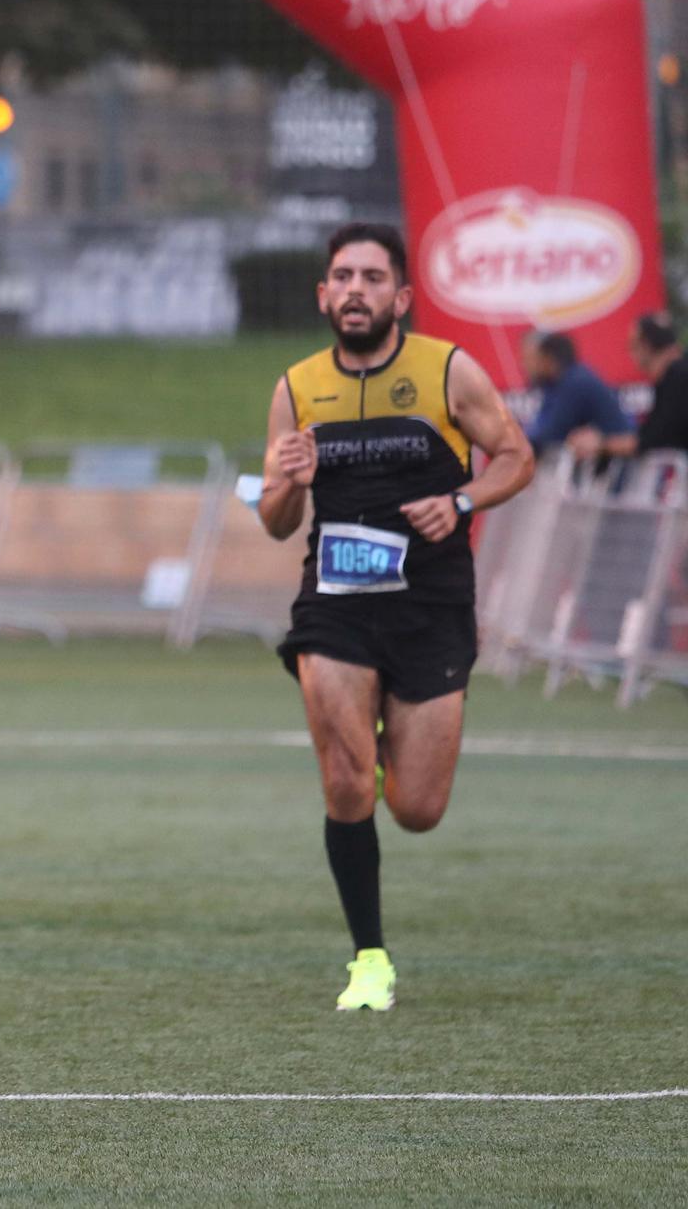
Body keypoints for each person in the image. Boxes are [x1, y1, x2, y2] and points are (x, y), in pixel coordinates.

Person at [258, 222, 533, 1013]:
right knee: (344, 782)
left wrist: (461, 499)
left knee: (416, 808)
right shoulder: (297, 387)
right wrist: (291, 482)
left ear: (401, 296)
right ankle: (369, 959)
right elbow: (276, 522)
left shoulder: (448, 370)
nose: (355, 290)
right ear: (322, 295)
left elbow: (516, 457)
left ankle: (381, 749)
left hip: (431, 609)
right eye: (341, 276)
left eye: (372, 278)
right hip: (335, 610)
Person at [521, 330, 632, 458]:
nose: (524, 366)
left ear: (548, 359)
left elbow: (550, 434)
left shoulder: (575, 383)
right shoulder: (554, 384)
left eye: (529, 359)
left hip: (619, 466)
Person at [628, 313, 688, 457]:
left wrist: (602, 444)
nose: (631, 354)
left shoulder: (678, 377)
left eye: (632, 346)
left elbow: (653, 438)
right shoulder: (673, 376)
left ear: (646, 346)